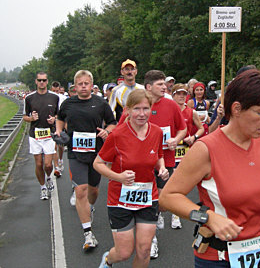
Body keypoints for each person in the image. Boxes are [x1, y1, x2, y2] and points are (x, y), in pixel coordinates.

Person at [159, 69, 260, 267]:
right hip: (219, 257)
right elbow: (168, 197)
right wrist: (207, 217)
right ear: (236, 109)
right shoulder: (206, 149)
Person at [94, 89, 169, 268]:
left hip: (147, 196)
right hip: (120, 199)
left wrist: (162, 167)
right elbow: (98, 163)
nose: (142, 114)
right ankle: (107, 260)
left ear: (151, 109)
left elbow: (158, 155)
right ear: (127, 110)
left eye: (146, 108)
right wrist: (118, 177)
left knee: (144, 250)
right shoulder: (117, 135)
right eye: (137, 109)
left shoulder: (157, 132)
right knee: (123, 252)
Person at [56, 70, 116, 251]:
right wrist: (59, 132)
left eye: (86, 83)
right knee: (80, 190)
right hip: (75, 153)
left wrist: (108, 131)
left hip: (97, 154)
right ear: (75, 86)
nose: (83, 87)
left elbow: (112, 122)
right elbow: (60, 119)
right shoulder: (68, 103)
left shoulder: (101, 103)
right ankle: (88, 234)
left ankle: (89, 207)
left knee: (93, 191)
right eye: (80, 84)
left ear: (91, 85)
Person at [142, 70, 187, 258]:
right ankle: (152, 240)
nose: (164, 87)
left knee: (162, 201)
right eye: (159, 84)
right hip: (142, 162)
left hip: (166, 159)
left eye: (164, 83)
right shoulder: (138, 105)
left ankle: (157, 213)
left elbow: (183, 129)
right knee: (147, 201)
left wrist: (175, 140)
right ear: (148, 87)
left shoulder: (171, 104)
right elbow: (123, 127)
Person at [23, 72, 60, 200]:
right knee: (38, 164)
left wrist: (53, 120)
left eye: (44, 80)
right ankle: (43, 187)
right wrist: (31, 118)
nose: (42, 82)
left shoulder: (54, 97)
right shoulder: (29, 98)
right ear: (36, 81)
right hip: (35, 135)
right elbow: (24, 117)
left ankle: (49, 177)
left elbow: (58, 115)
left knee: (48, 165)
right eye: (39, 80)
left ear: (47, 81)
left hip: (49, 135)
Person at [172, 83, 205, 169]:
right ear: (173, 95)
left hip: (185, 148)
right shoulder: (168, 111)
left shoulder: (191, 112)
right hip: (171, 149)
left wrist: (194, 137)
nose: (182, 96)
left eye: (184, 94)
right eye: (179, 94)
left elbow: (201, 128)